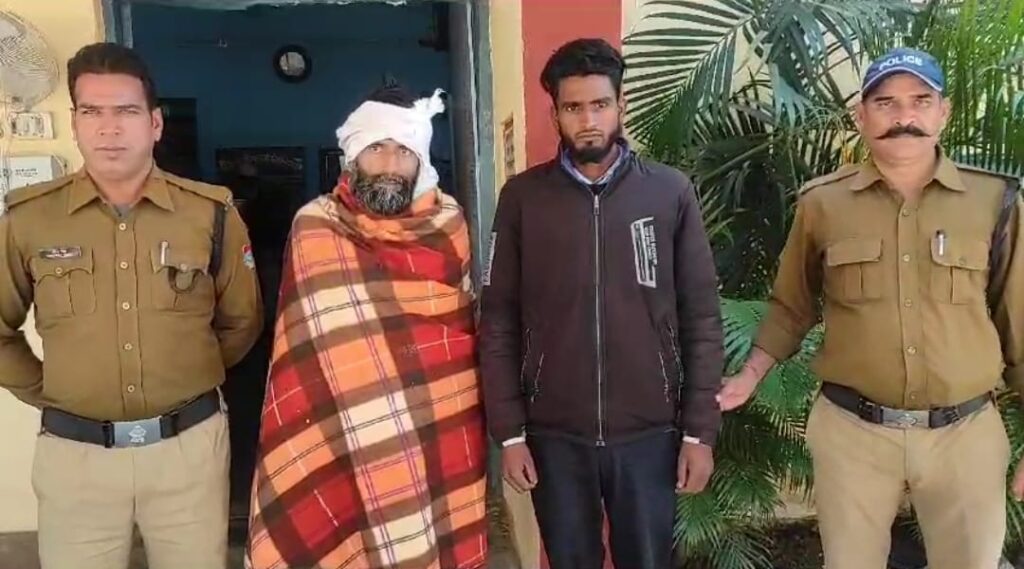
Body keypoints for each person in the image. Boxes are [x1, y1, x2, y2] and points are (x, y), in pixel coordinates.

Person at [718, 47, 1024, 569]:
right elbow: (791, 305)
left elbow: (1018, 319)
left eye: (920, 101)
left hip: (965, 434)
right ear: (860, 116)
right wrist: (748, 375)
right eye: (885, 103)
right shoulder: (823, 203)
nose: (903, 117)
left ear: (943, 112)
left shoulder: (993, 202)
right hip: (852, 433)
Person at [0, 42, 263, 569]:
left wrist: (185, 374)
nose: (109, 128)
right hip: (75, 456)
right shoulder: (28, 219)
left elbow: (243, 321)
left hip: (188, 450)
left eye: (126, 111)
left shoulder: (210, 214)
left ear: (155, 123)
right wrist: (53, 391)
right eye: (92, 112)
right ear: (75, 123)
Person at [479, 38, 724, 569]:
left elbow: (702, 318)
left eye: (600, 104)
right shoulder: (523, 199)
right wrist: (510, 435)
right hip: (554, 437)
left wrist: (699, 431)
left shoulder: (669, 193)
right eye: (573, 107)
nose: (588, 121)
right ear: (555, 114)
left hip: (650, 435)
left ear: (620, 105)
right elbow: (497, 321)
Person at [245, 84, 488, 569]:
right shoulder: (315, 225)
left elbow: (458, 335)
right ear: (353, 154)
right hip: (333, 424)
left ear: (421, 159)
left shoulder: (449, 225)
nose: (391, 163)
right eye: (377, 148)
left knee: (426, 534)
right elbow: (307, 343)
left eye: (404, 150)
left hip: (434, 420)